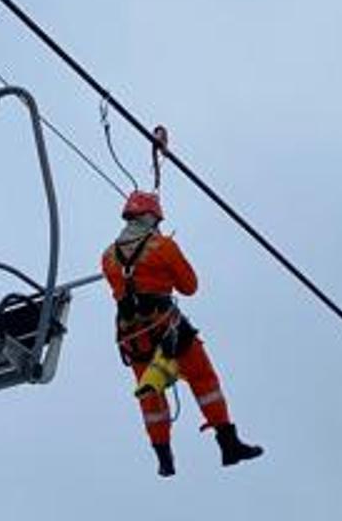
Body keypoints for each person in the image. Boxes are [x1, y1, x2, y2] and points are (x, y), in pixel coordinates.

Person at [102, 191, 263, 477]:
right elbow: (190, 287)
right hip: (167, 327)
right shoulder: (163, 247)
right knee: (203, 379)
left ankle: (164, 458)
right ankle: (228, 443)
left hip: (133, 337)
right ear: (151, 218)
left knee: (150, 396)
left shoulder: (108, 257)